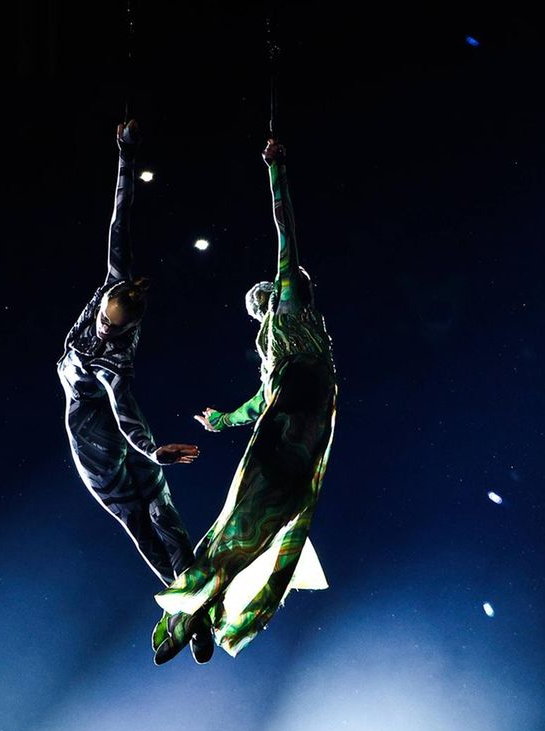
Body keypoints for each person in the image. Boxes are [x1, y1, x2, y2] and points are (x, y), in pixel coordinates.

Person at [152, 137, 337, 663]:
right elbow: (259, 400)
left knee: (260, 522)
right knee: (250, 523)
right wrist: (222, 418)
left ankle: (198, 608)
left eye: (262, 299)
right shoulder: (283, 345)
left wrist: (277, 166)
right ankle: (201, 611)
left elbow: (286, 231)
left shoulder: (294, 310)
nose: (259, 305)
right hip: (300, 426)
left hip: (296, 427)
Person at [57, 121, 212, 662]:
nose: (101, 328)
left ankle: (188, 600)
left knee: (145, 511)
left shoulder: (114, 362)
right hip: (107, 428)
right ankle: (189, 602)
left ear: (125, 332)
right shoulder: (114, 284)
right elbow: (118, 222)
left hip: (96, 435)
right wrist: (125, 153)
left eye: (109, 328)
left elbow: (123, 415)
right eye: (101, 319)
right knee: (150, 510)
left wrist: (152, 449)